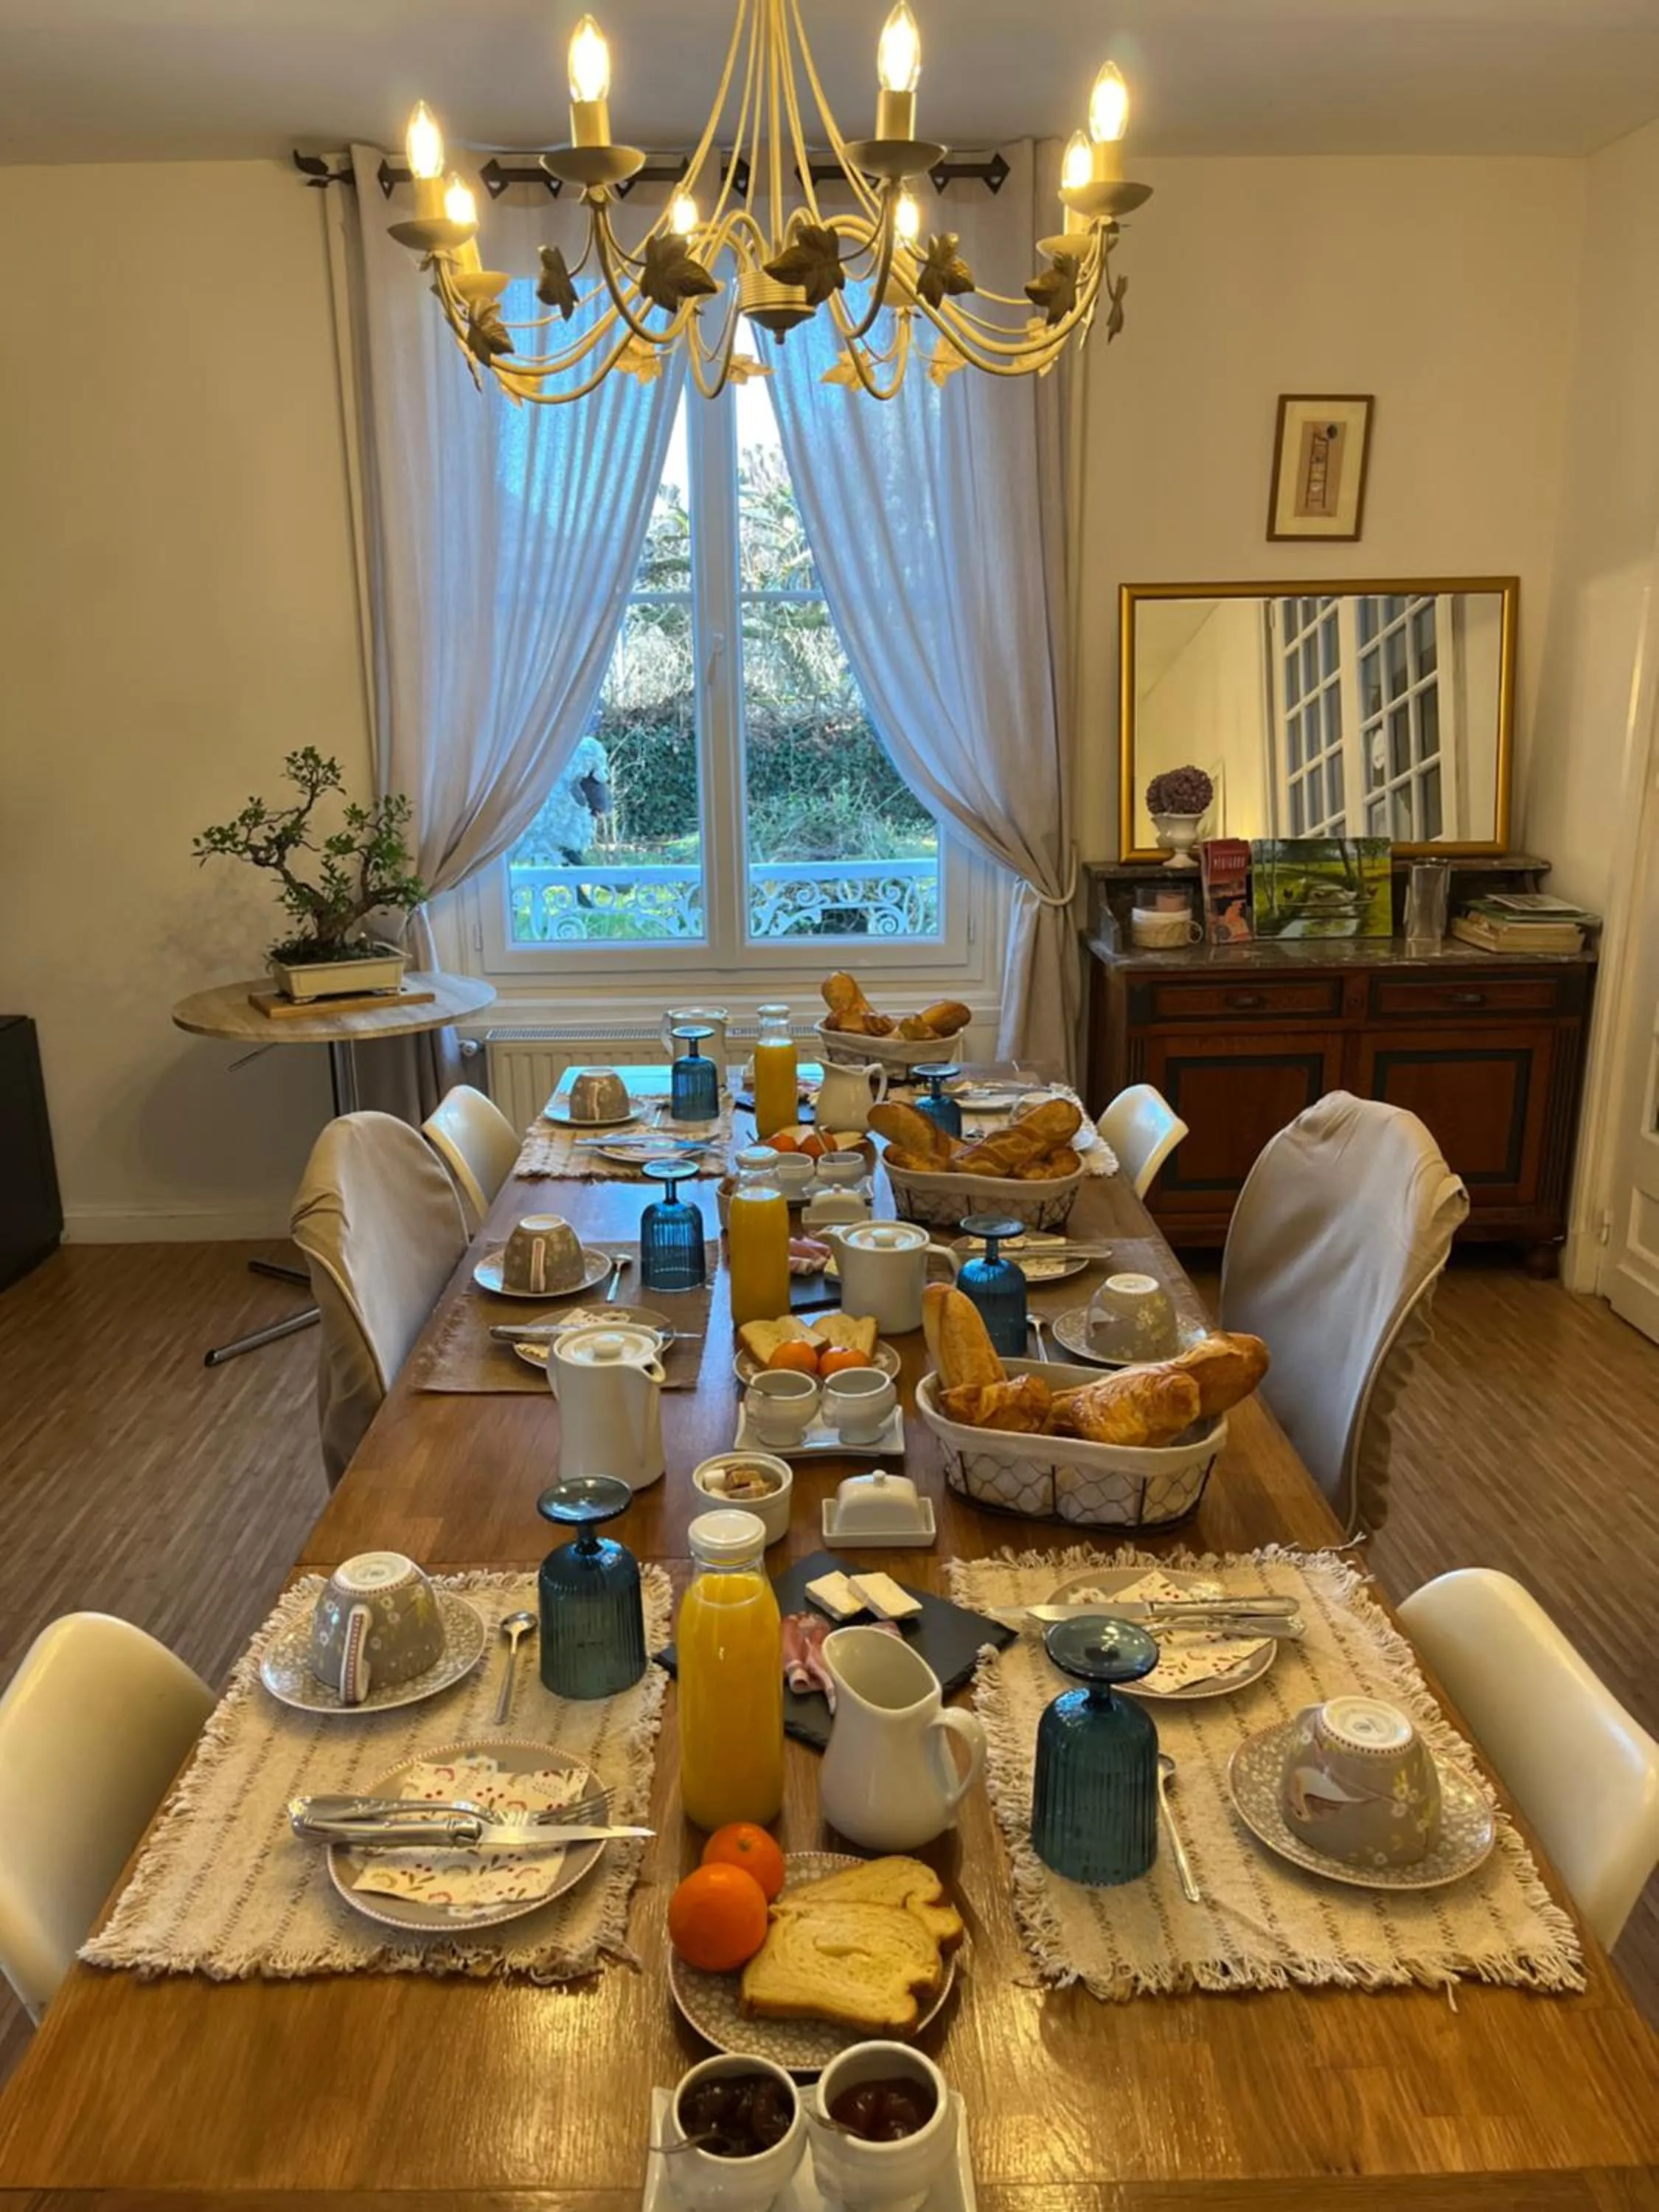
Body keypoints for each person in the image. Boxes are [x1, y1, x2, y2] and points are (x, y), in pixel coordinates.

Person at [543, 733, 613, 869]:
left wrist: (598, 806)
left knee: (569, 849)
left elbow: (597, 784)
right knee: (565, 849)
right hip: (562, 814)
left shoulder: (587, 753)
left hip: (574, 814)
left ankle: (583, 882)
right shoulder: (572, 756)